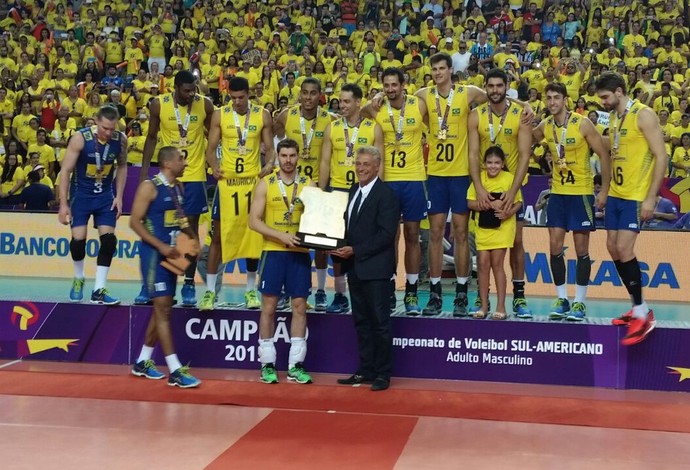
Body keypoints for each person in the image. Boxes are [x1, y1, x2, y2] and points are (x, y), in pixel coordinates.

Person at [415, 53, 494, 317]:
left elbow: (496, 98)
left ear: (450, 70)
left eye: (441, 68)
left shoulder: (468, 92)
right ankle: (435, 293)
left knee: (460, 234)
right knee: (435, 234)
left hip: (461, 175)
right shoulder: (424, 95)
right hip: (435, 175)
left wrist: (524, 106)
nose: (437, 73)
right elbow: (401, 108)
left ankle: (462, 292)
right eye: (433, 69)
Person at [596, 71, 668, 346]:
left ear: (618, 91)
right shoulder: (614, 116)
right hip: (616, 193)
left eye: (605, 97)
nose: (602, 102)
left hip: (636, 195)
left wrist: (651, 197)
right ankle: (638, 306)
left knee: (625, 249)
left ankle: (643, 313)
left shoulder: (644, 114)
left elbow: (661, 155)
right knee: (613, 248)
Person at [533, 82, 611, 321]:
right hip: (557, 193)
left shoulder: (582, 123)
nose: (552, 102)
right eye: (549, 98)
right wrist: (525, 112)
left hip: (581, 193)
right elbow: (527, 137)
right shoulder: (545, 126)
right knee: (555, 248)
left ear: (565, 99)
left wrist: (604, 191)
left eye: (557, 97)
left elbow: (604, 155)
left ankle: (580, 302)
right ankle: (561, 299)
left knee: (581, 250)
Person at [139, 70, 214, 307]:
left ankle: (189, 282)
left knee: (189, 233)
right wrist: (143, 173)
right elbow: (151, 137)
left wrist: (215, 164)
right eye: (187, 90)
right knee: (160, 230)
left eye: (194, 89)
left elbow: (213, 138)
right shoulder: (158, 105)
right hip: (166, 176)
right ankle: (151, 286)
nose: (192, 94)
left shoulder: (206, 105)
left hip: (194, 176)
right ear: (175, 88)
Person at [129, 146, 201, 388]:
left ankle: (142, 361)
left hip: (174, 253)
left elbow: (181, 220)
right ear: (168, 163)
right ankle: (175, 369)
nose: (186, 163)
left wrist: (193, 239)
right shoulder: (149, 187)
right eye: (182, 159)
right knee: (163, 308)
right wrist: (160, 246)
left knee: (164, 306)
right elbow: (134, 223)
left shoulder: (178, 187)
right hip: (154, 256)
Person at [202, 77, 274, 311]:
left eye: (241, 97)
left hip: (252, 183)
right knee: (217, 238)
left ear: (248, 94)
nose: (237, 102)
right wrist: (213, 166)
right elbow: (210, 150)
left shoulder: (262, 114)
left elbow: (270, 150)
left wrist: (269, 165)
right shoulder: (220, 115)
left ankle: (251, 290)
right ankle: (210, 292)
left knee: (253, 236)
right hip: (228, 184)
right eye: (233, 98)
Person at [468, 68, 533, 318]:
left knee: (517, 242)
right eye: (491, 86)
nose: (495, 90)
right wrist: (480, 188)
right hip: (485, 185)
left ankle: (518, 296)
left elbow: (526, 155)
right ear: (486, 86)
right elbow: (473, 154)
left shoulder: (521, 114)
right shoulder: (476, 116)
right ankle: (481, 298)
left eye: (499, 85)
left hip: (512, 185)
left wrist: (513, 190)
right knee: (482, 249)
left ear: (507, 86)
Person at [248, 139, 314, 385]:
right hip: (273, 251)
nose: (288, 160)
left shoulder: (308, 185)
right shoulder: (266, 184)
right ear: (277, 156)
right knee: (269, 308)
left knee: (299, 307)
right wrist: (281, 236)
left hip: (299, 253)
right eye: (284, 155)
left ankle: (296, 365)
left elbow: (318, 219)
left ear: (298, 157)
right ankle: (267, 364)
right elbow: (253, 221)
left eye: (292, 155)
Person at [334, 146, 399, 391]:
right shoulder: (353, 191)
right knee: (361, 321)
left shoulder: (387, 195)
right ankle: (366, 370)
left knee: (380, 323)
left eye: (366, 164)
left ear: (377, 166)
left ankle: (383, 374)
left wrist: (355, 250)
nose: (360, 168)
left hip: (376, 270)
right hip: (355, 268)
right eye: (358, 164)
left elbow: (386, 235)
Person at [363, 67, 427, 315]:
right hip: (387, 181)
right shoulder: (376, 108)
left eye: (394, 85)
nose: (390, 89)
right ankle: (389, 287)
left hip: (413, 179)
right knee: (388, 238)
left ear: (403, 85)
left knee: (413, 236)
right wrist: (372, 100)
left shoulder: (419, 105)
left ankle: (411, 291)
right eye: (386, 85)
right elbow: (358, 113)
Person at [318, 83, 385, 313]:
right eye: (340, 101)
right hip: (337, 192)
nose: (341, 105)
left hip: (363, 193)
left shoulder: (373, 128)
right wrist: (321, 192)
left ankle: (364, 294)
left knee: (361, 245)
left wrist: (378, 194)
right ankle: (339, 295)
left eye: (347, 101)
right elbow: (325, 162)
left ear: (358, 102)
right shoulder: (332, 128)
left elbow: (380, 163)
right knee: (337, 248)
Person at [273, 78, 335, 312]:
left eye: (313, 93)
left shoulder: (330, 119)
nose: (308, 97)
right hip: (291, 186)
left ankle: (320, 291)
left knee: (319, 243)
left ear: (320, 96)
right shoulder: (285, 116)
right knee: (287, 237)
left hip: (318, 186)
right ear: (299, 95)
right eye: (305, 93)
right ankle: (281, 290)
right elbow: (273, 141)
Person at [58, 105, 127, 305]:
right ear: (96, 121)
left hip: (105, 196)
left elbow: (122, 166)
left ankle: (99, 289)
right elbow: (65, 171)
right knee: (78, 242)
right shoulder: (80, 139)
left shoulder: (120, 140)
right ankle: (79, 277)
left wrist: (119, 196)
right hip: (81, 196)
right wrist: (63, 204)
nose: (108, 132)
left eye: (112, 129)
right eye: (105, 128)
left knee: (109, 241)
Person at [467, 146, 522, 320]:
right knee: (483, 264)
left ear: (503, 164)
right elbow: (470, 202)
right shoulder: (479, 179)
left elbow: (518, 202)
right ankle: (483, 306)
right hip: (482, 229)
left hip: (503, 228)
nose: (493, 166)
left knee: (497, 263)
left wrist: (507, 212)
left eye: (497, 163)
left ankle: (501, 307)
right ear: (484, 164)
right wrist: (488, 204)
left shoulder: (509, 179)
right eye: (489, 162)